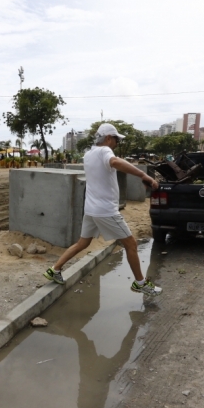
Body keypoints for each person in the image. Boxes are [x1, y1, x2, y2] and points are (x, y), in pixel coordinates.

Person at [43, 123, 163, 296]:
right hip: (105, 210)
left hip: (91, 209)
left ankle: (55, 269)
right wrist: (143, 175)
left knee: (82, 243)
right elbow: (114, 162)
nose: (117, 143)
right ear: (108, 138)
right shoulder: (104, 151)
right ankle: (140, 283)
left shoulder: (89, 154)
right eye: (116, 139)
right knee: (131, 244)